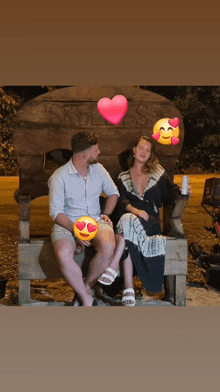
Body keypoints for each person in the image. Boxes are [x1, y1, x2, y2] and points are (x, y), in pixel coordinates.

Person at [98, 135, 182, 306]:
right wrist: (135, 210)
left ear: (150, 154)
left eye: (148, 150)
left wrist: (183, 194)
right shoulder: (122, 178)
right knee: (127, 223)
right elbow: (121, 201)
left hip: (149, 222)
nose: (144, 152)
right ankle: (128, 288)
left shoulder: (158, 173)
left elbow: (171, 192)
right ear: (134, 151)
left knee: (124, 232)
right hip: (129, 220)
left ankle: (115, 270)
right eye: (141, 148)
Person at [48, 132, 119, 306]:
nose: (99, 152)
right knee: (63, 252)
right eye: (96, 150)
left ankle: (84, 289)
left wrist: (106, 214)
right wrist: (75, 230)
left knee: (108, 246)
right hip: (67, 223)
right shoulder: (59, 177)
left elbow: (113, 193)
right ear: (86, 154)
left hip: (95, 219)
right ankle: (87, 300)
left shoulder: (99, 170)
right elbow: (56, 212)